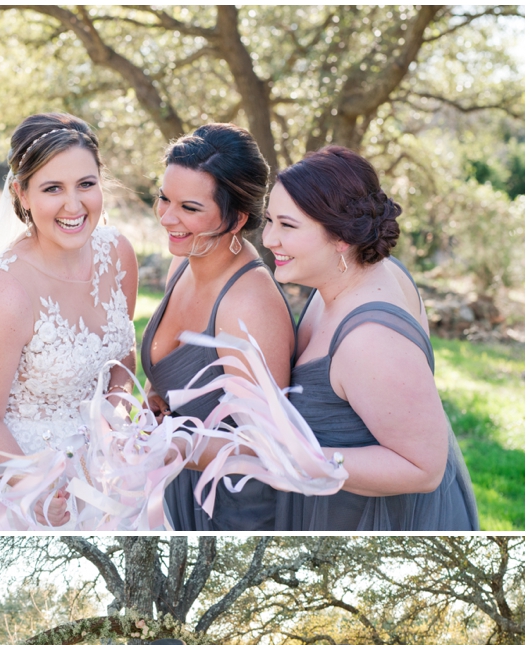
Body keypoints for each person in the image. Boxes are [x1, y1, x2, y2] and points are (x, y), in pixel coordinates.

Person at [262, 144, 479, 531]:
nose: (269, 239)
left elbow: (423, 468)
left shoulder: (370, 339)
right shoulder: (345, 276)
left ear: (341, 237)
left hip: (382, 522)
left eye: (287, 226)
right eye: (269, 221)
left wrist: (293, 459)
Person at [0, 112, 138, 528]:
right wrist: (35, 488)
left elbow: (122, 363)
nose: (73, 205)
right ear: (21, 194)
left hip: (109, 478)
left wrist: (110, 435)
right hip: (31, 485)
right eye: (52, 188)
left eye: (86, 185)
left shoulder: (118, 254)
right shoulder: (5, 291)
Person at [141, 123, 296, 531]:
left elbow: (268, 448)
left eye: (189, 208)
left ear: (237, 217)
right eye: (164, 198)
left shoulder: (249, 304)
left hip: (233, 507)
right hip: (178, 485)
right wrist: (156, 394)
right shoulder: (184, 260)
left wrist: (177, 444)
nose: (167, 217)